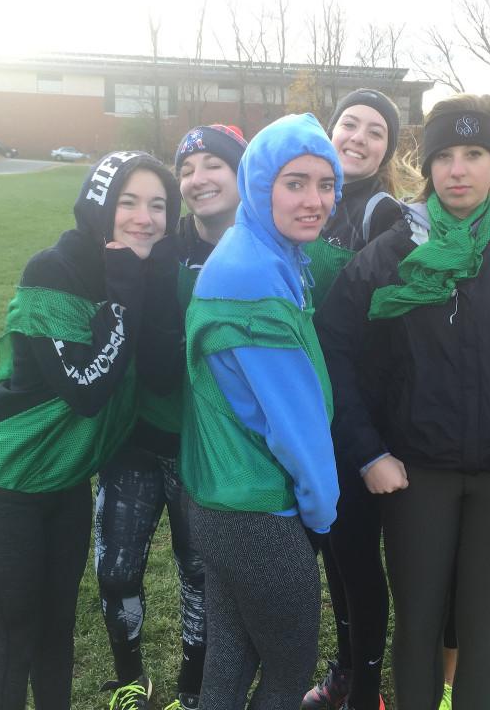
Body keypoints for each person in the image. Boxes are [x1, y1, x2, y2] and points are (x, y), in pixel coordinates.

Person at [315, 94, 490, 710]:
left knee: (483, 631)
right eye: (444, 155)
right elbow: (332, 348)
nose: (458, 170)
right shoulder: (393, 251)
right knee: (419, 625)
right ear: (426, 166)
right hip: (418, 472)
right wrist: (368, 450)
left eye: (474, 154)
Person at [0, 151, 182, 710]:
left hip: (66, 486)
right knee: (14, 642)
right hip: (4, 485)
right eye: (128, 202)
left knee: (57, 633)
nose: (144, 217)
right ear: (99, 206)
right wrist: (125, 298)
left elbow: (157, 371)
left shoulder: (148, 270)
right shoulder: (54, 268)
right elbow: (84, 387)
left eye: (158, 205)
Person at [181, 112, 342, 710]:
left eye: (326, 185)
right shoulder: (252, 277)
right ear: (260, 184)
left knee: (229, 661)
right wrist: (322, 513)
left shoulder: (263, 253)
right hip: (259, 510)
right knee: (287, 669)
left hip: (221, 503)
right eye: (295, 182)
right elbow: (295, 427)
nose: (315, 200)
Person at [94, 125, 248, 710]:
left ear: (242, 175)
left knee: (201, 579)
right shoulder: (159, 247)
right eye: (187, 168)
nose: (198, 178)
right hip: (135, 440)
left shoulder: (263, 249)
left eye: (214, 164)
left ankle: (192, 686)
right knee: (115, 569)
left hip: (204, 450)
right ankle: (130, 678)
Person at [302, 89, 404, 710]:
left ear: (388, 149)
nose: (359, 137)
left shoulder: (383, 213)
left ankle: (364, 690)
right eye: (350, 124)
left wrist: (368, 431)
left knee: (357, 556)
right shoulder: (317, 201)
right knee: (334, 553)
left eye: (376, 131)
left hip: (359, 413)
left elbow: (384, 330)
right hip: (314, 406)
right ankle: (346, 672)